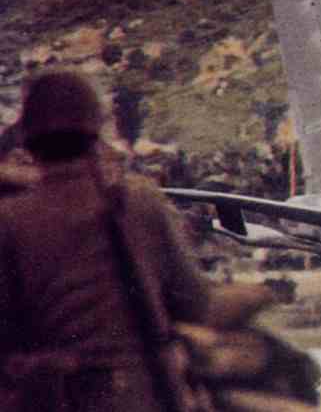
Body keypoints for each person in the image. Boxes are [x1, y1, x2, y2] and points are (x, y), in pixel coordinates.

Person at [0, 70, 211, 412]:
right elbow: (194, 304)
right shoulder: (142, 202)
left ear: (29, 139)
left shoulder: (10, 219)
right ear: (95, 133)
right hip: (148, 395)